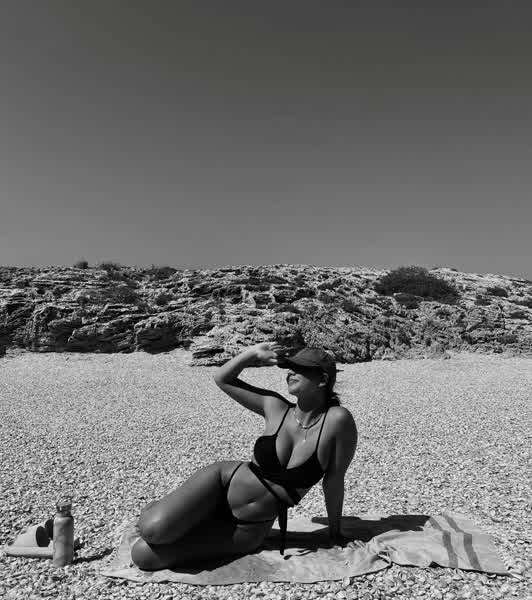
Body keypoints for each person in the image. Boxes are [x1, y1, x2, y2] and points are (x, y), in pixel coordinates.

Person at [131, 342, 358, 570]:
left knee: (143, 555)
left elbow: (334, 480)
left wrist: (334, 533)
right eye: (290, 367)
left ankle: (183, 517)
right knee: (153, 530)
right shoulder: (275, 407)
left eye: (300, 369)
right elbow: (223, 379)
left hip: (249, 528)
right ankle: (158, 509)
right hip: (220, 485)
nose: (290, 372)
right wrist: (251, 354)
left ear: (323, 380)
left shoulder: (338, 420)